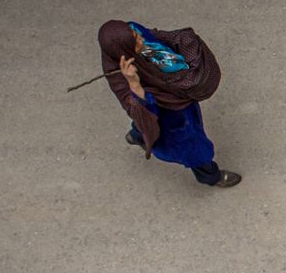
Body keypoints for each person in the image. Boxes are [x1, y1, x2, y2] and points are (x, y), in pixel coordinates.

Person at [97, 20, 241, 187]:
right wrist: (134, 83)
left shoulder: (134, 33)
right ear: (124, 51)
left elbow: (159, 36)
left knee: (142, 126)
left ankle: (137, 135)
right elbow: (135, 108)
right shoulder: (118, 76)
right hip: (169, 115)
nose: (141, 40)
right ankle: (211, 177)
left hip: (172, 102)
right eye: (135, 41)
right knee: (193, 149)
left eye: (136, 35)